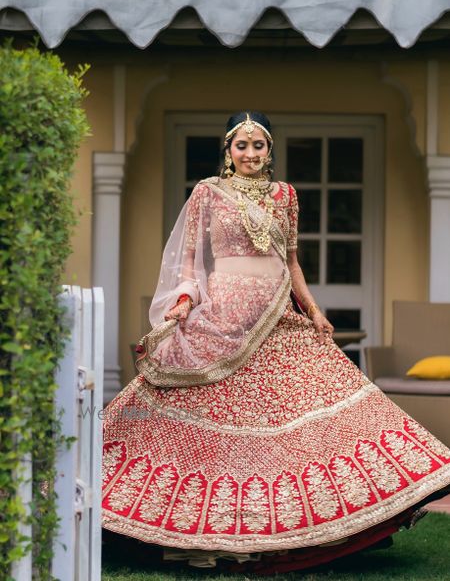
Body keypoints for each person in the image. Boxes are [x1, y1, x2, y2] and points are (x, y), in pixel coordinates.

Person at [101, 111, 450, 573]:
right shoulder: (207, 193)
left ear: (270, 151)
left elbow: (292, 262)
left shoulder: (285, 195)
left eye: (258, 145)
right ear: (228, 151)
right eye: (241, 145)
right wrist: (184, 303)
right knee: (213, 418)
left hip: (278, 315)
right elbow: (189, 264)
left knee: (326, 399)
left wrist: (314, 309)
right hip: (223, 316)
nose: (250, 154)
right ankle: (196, 525)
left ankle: (302, 529)